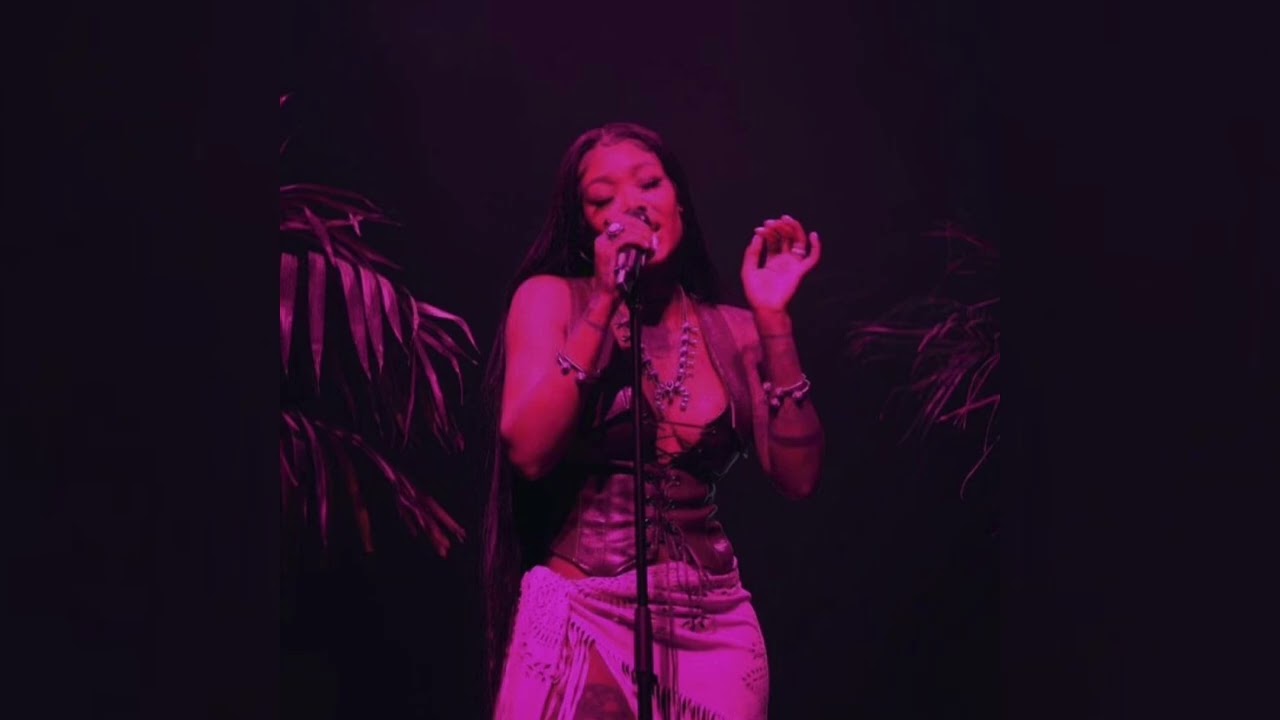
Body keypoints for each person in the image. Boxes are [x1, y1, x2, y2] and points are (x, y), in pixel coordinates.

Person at [482, 122, 824, 719]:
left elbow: (798, 478)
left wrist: (773, 319)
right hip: (586, 611)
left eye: (648, 184)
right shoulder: (551, 300)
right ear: (584, 227)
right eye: (603, 198)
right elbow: (529, 451)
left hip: (713, 625)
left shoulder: (736, 331)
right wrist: (605, 299)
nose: (632, 204)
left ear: (679, 201)